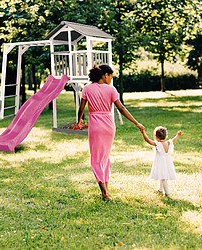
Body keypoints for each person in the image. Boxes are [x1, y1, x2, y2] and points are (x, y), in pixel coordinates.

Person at [77, 65, 144, 201]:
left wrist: (78, 122)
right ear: (105, 75)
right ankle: (106, 190)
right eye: (111, 76)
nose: (111, 79)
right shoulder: (111, 89)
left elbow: (81, 109)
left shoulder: (87, 89)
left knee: (96, 159)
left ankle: (104, 192)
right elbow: (121, 108)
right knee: (105, 158)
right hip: (109, 127)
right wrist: (136, 122)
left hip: (96, 126)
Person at [140, 126, 182, 198]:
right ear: (165, 136)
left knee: (163, 178)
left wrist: (143, 132)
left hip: (161, 163)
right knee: (162, 176)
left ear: (156, 137)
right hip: (167, 162)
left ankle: (168, 194)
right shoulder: (168, 143)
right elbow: (174, 140)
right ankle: (160, 189)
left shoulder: (157, 144)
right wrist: (177, 135)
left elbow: (148, 140)